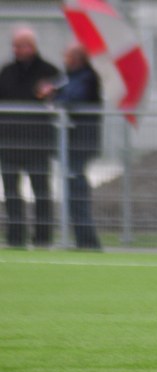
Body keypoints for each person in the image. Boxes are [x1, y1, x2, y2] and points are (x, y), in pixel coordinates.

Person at [0, 26, 60, 248]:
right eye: (14, 45)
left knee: (41, 192)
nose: (16, 50)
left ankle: (43, 238)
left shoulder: (49, 71)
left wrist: (50, 94)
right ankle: (15, 237)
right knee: (12, 193)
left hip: (38, 143)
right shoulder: (6, 71)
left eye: (20, 45)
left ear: (31, 46)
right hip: (9, 143)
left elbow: (61, 97)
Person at [40, 43, 102, 249]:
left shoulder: (87, 77)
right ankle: (80, 239)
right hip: (71, 142)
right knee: (71, 190)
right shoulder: (70, 77)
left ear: (76, 58)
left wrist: (54, 97)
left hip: (79, 142)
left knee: (77, 190)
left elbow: (73, 99)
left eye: (66, 55)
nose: (64, 59)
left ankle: (87, 241)